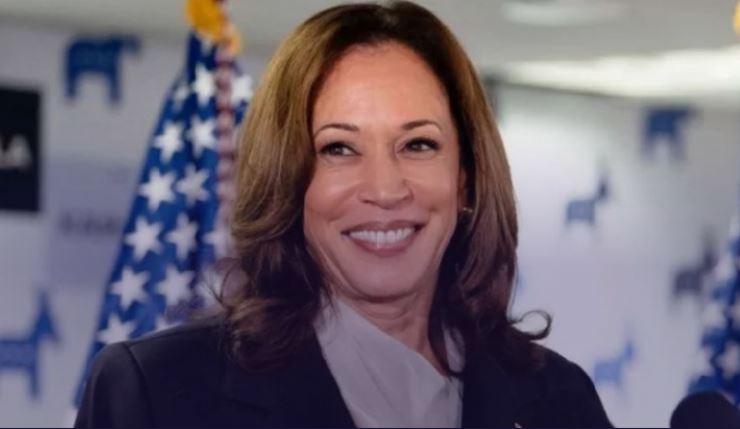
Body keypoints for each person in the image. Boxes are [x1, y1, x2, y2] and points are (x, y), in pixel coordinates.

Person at [75, 1, 612, 427]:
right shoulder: (156, 393)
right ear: (288, 182)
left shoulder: (558, 400)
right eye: (338, 148)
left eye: (418, 145)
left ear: (466, 179)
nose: (385, 189)